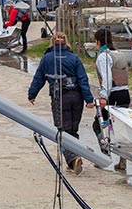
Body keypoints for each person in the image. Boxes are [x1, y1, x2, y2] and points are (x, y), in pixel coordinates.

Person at [28, 32, 95, 175]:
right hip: (77, 97)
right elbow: (83, 80)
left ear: (52, 42)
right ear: (66, 43)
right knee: (73, 130)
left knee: (62, 131)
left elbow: (38, 78)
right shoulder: (74, 58)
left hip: (60, 98)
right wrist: (89, 100)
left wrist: (32, 94)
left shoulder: (47, 59)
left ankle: (73, 159)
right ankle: (74, 158)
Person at [91, 28, 129, 169]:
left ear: (98, 41)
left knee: (98, 125)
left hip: (113, 94)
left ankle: (104, 156)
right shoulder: (118, 54)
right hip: (125, 93)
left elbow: (106, 78)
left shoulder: (103, 56)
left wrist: (103, 96)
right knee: (120, 128)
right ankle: (123, 160)